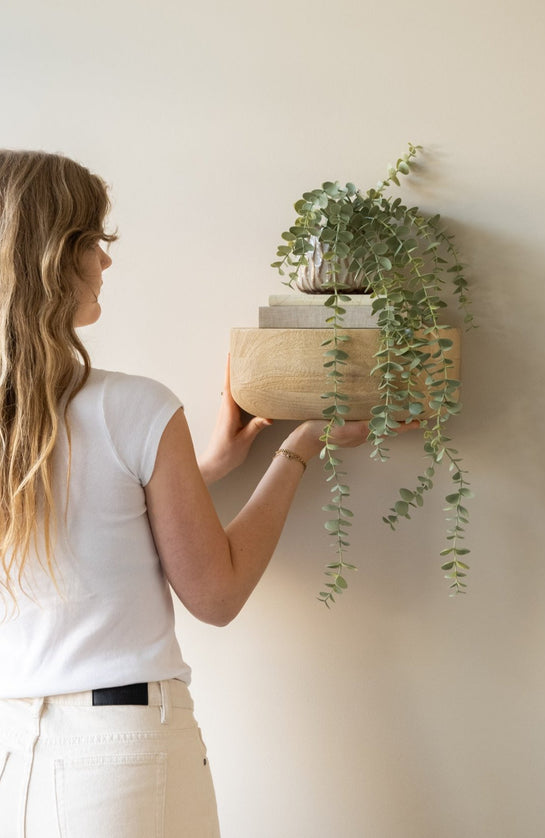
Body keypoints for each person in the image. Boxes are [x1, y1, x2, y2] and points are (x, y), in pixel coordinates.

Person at [0, 150, 414, 837]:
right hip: (120, 753)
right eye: (96, 242)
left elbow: (79, 516)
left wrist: (200, 469)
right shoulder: (133, 407)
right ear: (57, 256)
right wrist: (299, 445)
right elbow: (215, 596)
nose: (106, 262)